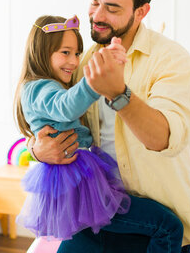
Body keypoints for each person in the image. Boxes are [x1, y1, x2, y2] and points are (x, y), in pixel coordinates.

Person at [29, 0, 190, 253]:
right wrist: (37, 149)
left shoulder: (172, 61)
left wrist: (119, 94)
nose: (97, 15)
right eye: (94, 2)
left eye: (112, 8)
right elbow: (47, 109)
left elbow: (165, 139)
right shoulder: (84, 60)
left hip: (153, 229)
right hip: (94, 214)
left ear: (141, 12)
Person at [13, 15, 130, 240]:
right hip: (70, 172)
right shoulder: (39, 88)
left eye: (76, 53)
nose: (75, 62)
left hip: (74, 170)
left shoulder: (48, 85)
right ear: (40, 52)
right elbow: (66, 107)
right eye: (65, 52)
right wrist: (97, 78)